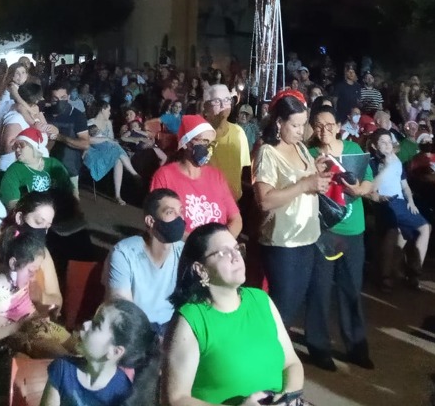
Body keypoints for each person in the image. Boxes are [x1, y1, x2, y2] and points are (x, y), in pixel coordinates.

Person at [163, 223, 303, 406]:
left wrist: (288, 398)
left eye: (237, 248)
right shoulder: (191, 319)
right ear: (200, 269)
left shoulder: (261, 300)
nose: (236, 256)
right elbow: (174, 399)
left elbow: (291, 363)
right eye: (223, 252)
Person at [252, 91, 334, 369]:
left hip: (308, 237)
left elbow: (307, 179)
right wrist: (304, 185)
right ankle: (262, 366)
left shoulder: (299, 147)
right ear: (278, 123)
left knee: (294, 305)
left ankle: (273, 364)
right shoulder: (268, 152)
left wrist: (318, 171)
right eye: (295, 125)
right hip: (282, 243)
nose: (301, 131)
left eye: (303, 125)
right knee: (281, 309)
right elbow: (264, 199)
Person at [307, 105, 375, 368]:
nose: (324, 130)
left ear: (337, 126)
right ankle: (319, 347)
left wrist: (359, 190)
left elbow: (368, 181)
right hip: (323, 231)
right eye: (318, 125)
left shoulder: (354, 151)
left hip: (352, 230)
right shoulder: (310, 154)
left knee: (351, 290)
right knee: (321, 290)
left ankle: (357, 346)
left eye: (328, 124)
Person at [41, 300, 159, 406]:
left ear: (115, 351)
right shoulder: (62, 369)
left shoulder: (123, 394)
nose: (86, 324)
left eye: (96, 325)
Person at [106, 188, 186, 332]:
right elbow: (122, 309)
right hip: (137, 329)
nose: (179, 218)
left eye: (181, 212)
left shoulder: (183, 251)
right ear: (150, 221)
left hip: (170, 329)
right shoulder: (125, 253)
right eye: (170, 212)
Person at [150, 116, 242, 237]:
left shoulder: (216, 176)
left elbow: (236, 219)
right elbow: (161, 223)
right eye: (201, 141)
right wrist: (199, 246)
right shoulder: (165, 176)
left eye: (209, 143)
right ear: (185, 143)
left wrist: (221, 243)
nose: (207, 147)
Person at [368, 128, 431, 289]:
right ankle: (386, 276)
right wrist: (388, 167)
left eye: (389, 142)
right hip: (385, 202)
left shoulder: (396, 162)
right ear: (375, 146)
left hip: (401, 203)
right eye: (383, 142)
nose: (388, 145)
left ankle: (415, 272)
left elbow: (405, 186)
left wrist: (411, 201)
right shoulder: (372, 163)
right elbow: (372, 186)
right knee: (392, 231)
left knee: (425, 227)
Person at [0, 128, 76, 213]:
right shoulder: (13, 171)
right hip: (31, 216)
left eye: (21, 145)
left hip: (58, 213)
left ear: (33, 146)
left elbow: (69, 190)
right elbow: (12, 204)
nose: (17, 149)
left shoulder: (53, 164)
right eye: (15, 146)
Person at [83, 103, 141, 205]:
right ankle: (135, 174)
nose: (110, 113)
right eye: (108, 110)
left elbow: (112, 139)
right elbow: (90, 140)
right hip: (95, 151)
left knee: (117, 158)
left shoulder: (108, 123)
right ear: (102, 110)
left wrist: (109, 140)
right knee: (115, 149)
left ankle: (117, 196)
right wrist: (105, 139)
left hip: (109, 149)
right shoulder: (91, 123)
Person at [203, 83, 250, 202]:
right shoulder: (199, 134)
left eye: (227, 100)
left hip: (233, 202)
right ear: (206, 107)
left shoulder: (239, 132)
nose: (224, 105)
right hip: (206, 201)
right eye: (217, 101)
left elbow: (244, 169)